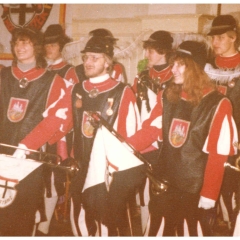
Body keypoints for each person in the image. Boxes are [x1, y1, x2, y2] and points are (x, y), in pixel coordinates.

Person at [13, 34, 144, 236]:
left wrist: (119, 177)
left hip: (109, 173)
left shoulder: (122, 92)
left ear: (108, 62)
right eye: (85, 58)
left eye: (94, 58)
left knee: (107, 227)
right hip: (80, 168)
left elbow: (129, 140)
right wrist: (25, 146)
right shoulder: (77, 90)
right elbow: (53, 121)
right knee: (80, 224)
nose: (88, 62)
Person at [127, 40, 238, 236]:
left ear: (195, 67)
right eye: (173, 64)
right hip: (165, 182)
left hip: (193, 189)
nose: (173, 69)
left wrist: (209, 194)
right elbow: (152, 130)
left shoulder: (218, 104)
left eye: (180, 64)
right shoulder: (167, 95)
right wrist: (123, 146)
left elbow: (218, 154)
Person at [0, 27, 72, 236]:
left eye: (25, 42)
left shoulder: (53, 82)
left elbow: (58, 119)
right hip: (1, 154)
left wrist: (26, 146)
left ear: (37, 47)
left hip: (29, 160)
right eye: (16, 43)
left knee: (23, 215)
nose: (19, 47)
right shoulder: (3, 76)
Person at [34, 24, 79, 236]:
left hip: (58, 133)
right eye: (46, 44)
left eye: (52, 44)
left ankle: (44, 226)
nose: (48, 48)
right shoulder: (40, 70)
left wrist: (56, 133)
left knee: (52, 178)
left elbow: (73, 106)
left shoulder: (69, 71)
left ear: (61, 46)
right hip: (36, 131)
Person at [131, 30, 174, 235]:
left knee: (158, 191)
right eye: (146, 49)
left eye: (151, 49)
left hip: (163, 142)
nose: (147, 53)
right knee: (143, 191)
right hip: (141, 138)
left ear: (162, 50)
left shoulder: (175, 77)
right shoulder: (141, 77)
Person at [204, 14, 240, 233]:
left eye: (219, 38)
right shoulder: (205, 67)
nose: (214, 43)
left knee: (232, 192)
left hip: (236, 144)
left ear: (233, 37)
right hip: (208, 141)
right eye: (213, 38)